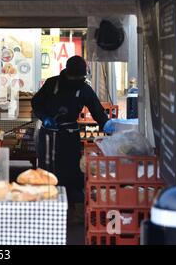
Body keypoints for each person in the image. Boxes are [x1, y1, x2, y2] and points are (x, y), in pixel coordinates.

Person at [31, 55, 114, 219]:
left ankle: (72, 209)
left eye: (80, 77)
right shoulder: (52, 83)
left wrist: (108, 125)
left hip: (70, 135)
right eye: (75, 76)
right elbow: (36, 103)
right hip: (50, 135)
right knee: (48, 169)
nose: (78, 79)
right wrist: (44, 117)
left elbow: (97, 111)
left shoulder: (84, 88)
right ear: (67, 72)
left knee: (72, 170)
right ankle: (47, 208)